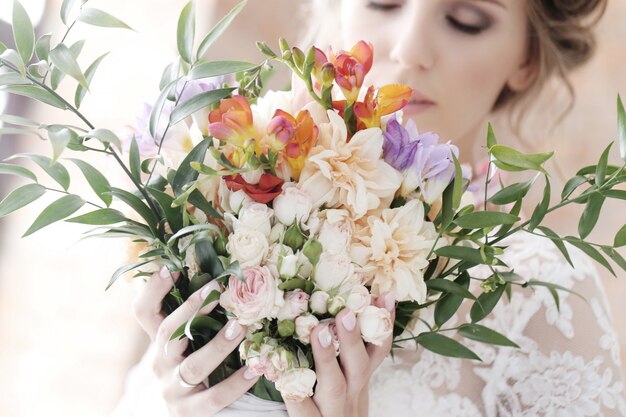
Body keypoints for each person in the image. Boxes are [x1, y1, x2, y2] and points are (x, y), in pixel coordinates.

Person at [112, 0, 626, 416]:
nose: (409, 49)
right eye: (383, 1)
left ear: (526, 59)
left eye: (466, 20)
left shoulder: (546, 296)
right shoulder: (228, 210)